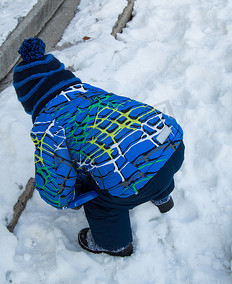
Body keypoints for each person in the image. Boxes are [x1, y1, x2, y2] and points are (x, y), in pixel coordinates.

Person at [13, 38, 184, 257]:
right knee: (147, 154)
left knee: (99, 201)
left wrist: (68, 198)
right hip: (171, 143)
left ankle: (115, 244)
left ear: (29, 100)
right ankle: (163, 198)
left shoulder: (48, 126)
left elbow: (55, 178)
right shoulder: (91, 92)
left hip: (136, 181)